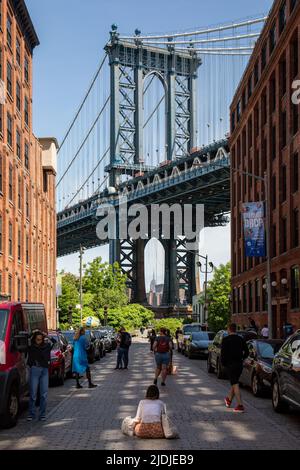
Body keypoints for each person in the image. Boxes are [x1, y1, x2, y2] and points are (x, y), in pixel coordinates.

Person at [27, 330, 57, 421]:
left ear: (43, 339)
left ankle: (42, 414)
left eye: (40, 339)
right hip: (35, 370)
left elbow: (54, 341)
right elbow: (27, 339)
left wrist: (45, 334)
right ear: (34, 339)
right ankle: (31, 414)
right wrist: (33, 333)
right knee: (33, 394)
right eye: (37, 339)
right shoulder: (31, 347)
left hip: (44, 370)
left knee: (44, 394)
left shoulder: (47, 346)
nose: (39, 341)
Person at [221, 323, 249, 413]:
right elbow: (247, 352)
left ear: (229, 329)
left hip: (230, 365)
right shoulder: (241, 339)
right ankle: (228, 400)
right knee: (234, 382)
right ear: (235, 329)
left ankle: (240, 405)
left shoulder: (225, 340)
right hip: (239, 365)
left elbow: (223, 354)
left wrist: (223, 364)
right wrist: (242, 358)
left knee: (235, 383)